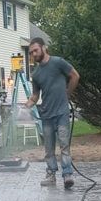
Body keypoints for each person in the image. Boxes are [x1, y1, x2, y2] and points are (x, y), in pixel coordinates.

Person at [25, 38, 80, 189]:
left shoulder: (58, 63)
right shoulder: (36, 74)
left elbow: (75, 76)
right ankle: (51, 175)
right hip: (46, 115)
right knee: (49, 149)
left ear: (44, 48)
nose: (33, 54)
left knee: (64, 145)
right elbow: (36, 95)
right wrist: (28, 105)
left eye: (35, 50)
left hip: (61, 112)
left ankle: (67, 174)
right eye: (31, 53)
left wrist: (67, 94)